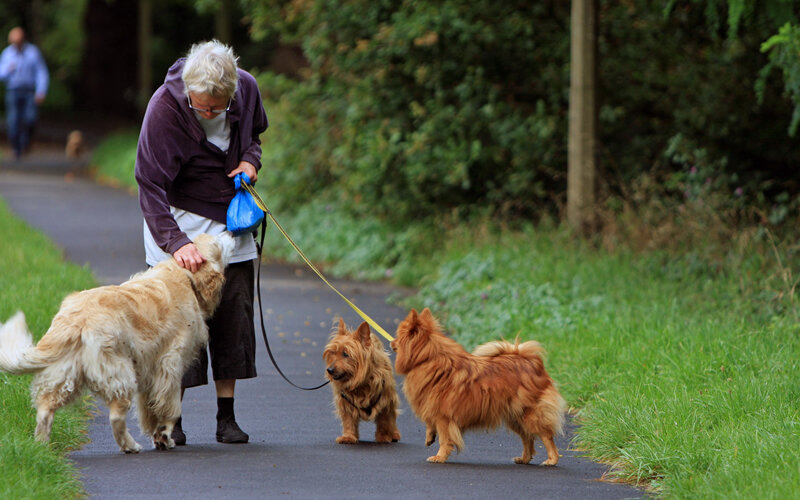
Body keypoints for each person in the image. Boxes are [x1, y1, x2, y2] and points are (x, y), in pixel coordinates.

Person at [135, 40, 268, 445]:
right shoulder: (164, 107)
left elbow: (254, 140)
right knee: (178, 326)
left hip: (231, 222)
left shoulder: (245, 87)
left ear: (232, 92)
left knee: (233, 311)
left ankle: (226, 417)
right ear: (188, 91)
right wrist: (177, 243)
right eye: (202, 107)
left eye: (217, 107)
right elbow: (149, 183)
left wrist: (250, 162)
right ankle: (173, 419)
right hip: (178, 219)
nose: (209, 113)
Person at [0, 27, 49, 159]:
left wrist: (41, 90)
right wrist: (8, 70)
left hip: (29, 92)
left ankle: (26, 144)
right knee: (13, 120)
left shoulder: (33, 52)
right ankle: (16, 147)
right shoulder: (7, 54)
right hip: (12, 91)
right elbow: (1, 73)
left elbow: (41, 72)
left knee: (30, 118)